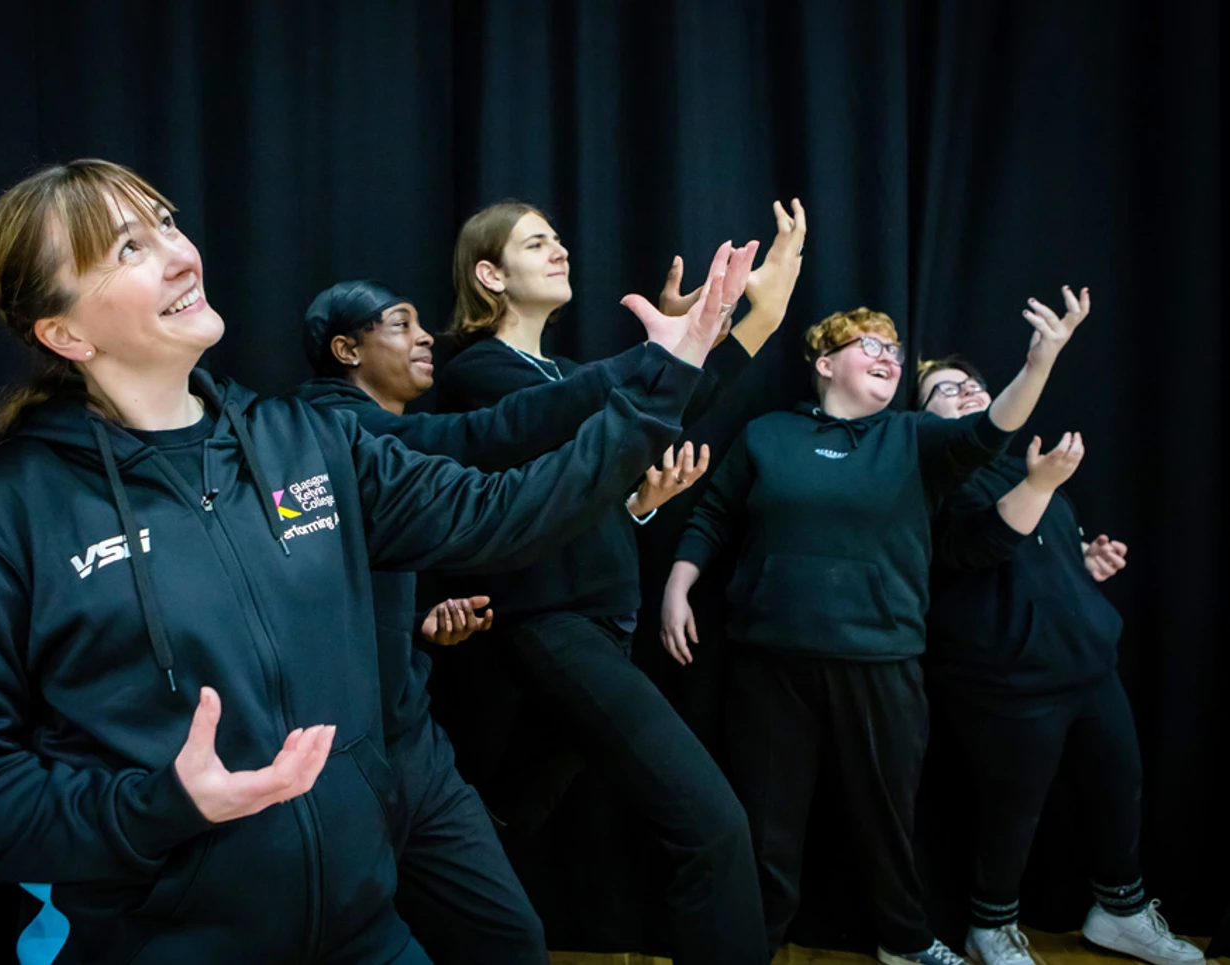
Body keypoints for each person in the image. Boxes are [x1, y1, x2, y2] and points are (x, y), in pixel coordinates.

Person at [0, 159, 732, 965]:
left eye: (168, 225)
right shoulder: (6, 516)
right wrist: (157, 808)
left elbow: (503, 511)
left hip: (362, 933)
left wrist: (669, 372)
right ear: (63, 331)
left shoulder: (306, 441)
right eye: (130, 250)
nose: (181, 254)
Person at [291, 265, 751, 964]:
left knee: (507, 912)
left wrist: (419, 619)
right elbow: (498, 439)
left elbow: (366, 569)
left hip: (410, 734)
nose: (426, 340)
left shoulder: (391, 435)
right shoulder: (325, 428)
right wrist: (664, 355)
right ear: (347, 351)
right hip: (348, 751)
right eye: (402, 324)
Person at [660, 291, 1090, 965]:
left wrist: (1041, 362)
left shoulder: (915, 438)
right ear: (824, 363)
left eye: (894, 349)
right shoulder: (767, 433)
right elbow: (714, 513)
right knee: (767, 827)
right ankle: (753, 945)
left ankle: (905, 943)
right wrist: (679, 582)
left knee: (888, 823)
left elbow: (990, 430)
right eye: (871, 346)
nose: (889, 357)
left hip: (881, 663)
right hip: (770, 663)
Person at [428, 199, 806, 965]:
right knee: (711, 824)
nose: (560, 249)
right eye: (537, 242)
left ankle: (428, 904)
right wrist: (715, 330)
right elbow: (610, 421)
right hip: (552, 627)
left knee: (506, 810)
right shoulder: (479, 373)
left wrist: (640, 503)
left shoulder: (564, 372)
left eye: (559, 237)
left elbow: (609, 454)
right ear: (491, 273)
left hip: (603, 621)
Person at [916, 353, 1204, 965]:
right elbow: (978, 546)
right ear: (922, 415)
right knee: (1012, 813)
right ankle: (991, 928)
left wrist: (1085, 562)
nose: (966, 393)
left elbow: (1042, 558)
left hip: (1089, 667)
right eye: (945, 390)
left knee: (1118, 787)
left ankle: (1120, 913)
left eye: (974, 385)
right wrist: (1040, 484)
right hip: (1008, 683)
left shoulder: (1023, 466)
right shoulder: (934, 474)